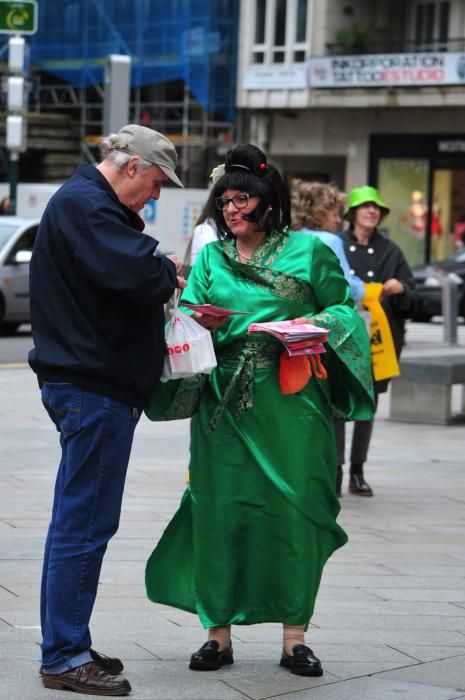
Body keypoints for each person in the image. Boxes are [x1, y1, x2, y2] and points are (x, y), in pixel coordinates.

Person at [145, 145, 374, 676]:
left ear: (269, 204)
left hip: (294, 404)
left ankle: (295, 637)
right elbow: (187, 323)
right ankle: (217, 634)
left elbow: (344, 313)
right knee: (220, 511)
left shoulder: (310, 252)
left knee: (294, 513)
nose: (230, 210)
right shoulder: (210, 258)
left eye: (241, 200)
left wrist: (307, 329)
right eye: (225, 201)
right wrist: (201, 324)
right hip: (222, 407)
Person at [28, 124, 186, 696]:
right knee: (85, 522)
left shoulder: (86, 206)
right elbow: (141, 273)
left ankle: (67, 639)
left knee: (79, 520)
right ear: (128, 166)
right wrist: (166, 267)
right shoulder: (87, 206)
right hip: (93, 391)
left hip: (91, 386)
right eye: (156, 181)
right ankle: (65, 655)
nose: (158, 194)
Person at [336, 185, 415, 497]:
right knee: (339, 403)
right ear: (352, 213)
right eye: (365, 207)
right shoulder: (336, 244)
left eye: (376, 208)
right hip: (342, 336)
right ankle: (335, 468)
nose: (371, 212)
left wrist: (402, 288)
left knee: (368, 405)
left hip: (380, 340)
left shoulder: (391, 250)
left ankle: (358, 469)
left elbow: (412, 294)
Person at [290, 179, 365, 302]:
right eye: (335, 215)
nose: (338, 220)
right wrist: (364, 289)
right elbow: (344, 287)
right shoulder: (330, 241)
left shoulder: (289, 237)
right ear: (320, 213)